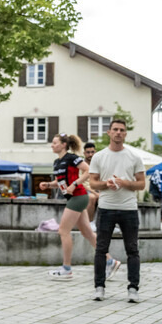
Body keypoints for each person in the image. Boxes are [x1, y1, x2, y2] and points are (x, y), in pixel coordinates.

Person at [39, 133, 120, 280]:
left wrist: (75, 184)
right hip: (74, 197)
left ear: (64, 145)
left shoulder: (71, 158)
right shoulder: (57, 162)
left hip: (78, 197)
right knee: (87, 233)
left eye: (55, 142)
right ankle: (110, 261)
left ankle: (67, 268)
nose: (52, 145)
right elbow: (61, 181)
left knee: (63, 231)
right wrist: (49, 185)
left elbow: (88, 171)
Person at [88, 119, 146, 303]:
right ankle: (99, 287)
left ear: (125, 134)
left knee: (132, 250)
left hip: (128, 208)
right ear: (109, 133)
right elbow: (93, 183)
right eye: (115, 130)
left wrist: (124, 183)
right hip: (106, 208)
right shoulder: (99, 156)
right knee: (101, 249)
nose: (118, 133)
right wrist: (106, 184)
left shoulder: (134, 156)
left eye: (121, 130)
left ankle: (133, 289)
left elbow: (141, 184)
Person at [83, 141, 99, 220]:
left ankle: (111, 225)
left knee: (111, 197)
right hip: (84, 190)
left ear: (95, 152)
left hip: (96, 189)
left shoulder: (98, 164)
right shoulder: (81, 165)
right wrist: (94, 192)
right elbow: (80, 184)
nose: (90, 154)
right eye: (88, 152)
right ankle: (90, 223)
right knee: (92, 197)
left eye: (92, 152)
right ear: (84, 153)